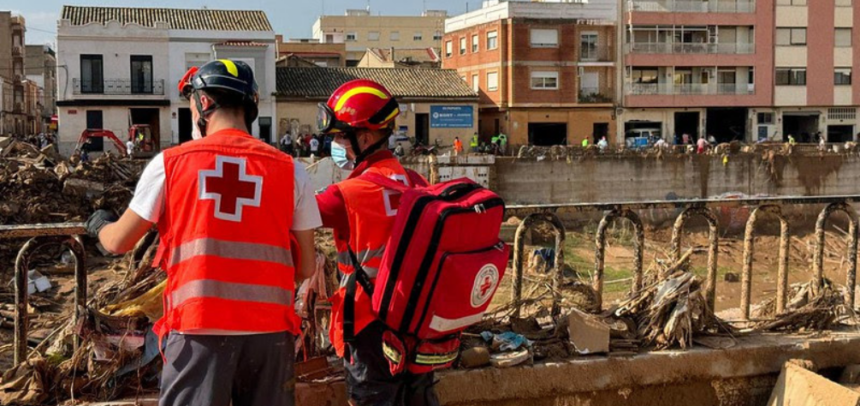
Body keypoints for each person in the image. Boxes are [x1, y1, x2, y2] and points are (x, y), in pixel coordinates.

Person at [84, 59, 320, 406]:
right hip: (270, 335)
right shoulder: (292, 171)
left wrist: (99, 225)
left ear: (203, 103)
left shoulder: (170, 164)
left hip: (199, 331)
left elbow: (119, 241)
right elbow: (305, 268)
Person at [315, 79, 437, 406]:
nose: (337, 145)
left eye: (341, 136)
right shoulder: (418, 184)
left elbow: (291, 214)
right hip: (414, 321)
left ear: (365, 137)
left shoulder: (345, 195)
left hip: (368, 326)